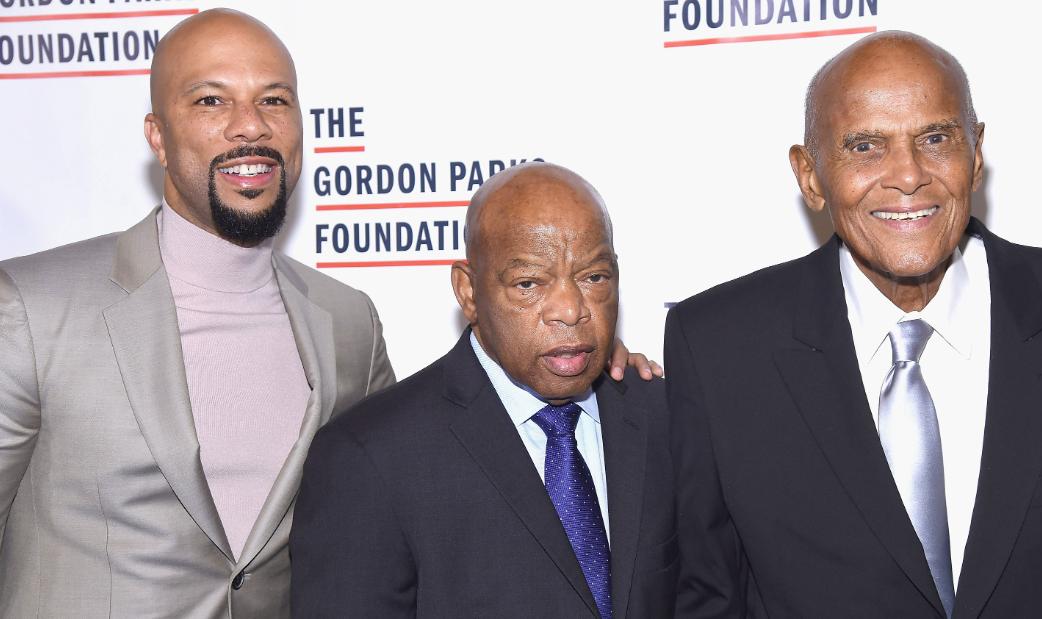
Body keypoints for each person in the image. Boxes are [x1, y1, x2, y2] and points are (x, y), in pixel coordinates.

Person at [0, 10, 656, 617]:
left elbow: (410, 483)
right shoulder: (34, 307)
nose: (249, 124)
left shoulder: (346, 322)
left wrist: (584, 364)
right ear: (158, 136)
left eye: (273, 100)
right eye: (210, 100)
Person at [667, 31, 1042, 619]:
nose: (908, 175)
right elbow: (706, 597)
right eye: (866, 147)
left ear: (976, 155)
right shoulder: (719, 348)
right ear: (810, 176)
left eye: (936, 138)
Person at [290, 162, 677, 618]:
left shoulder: (665, 417)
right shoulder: (367, 457)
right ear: (469, 291)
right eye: (529, 284)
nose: (571, 310)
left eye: (594, 277)